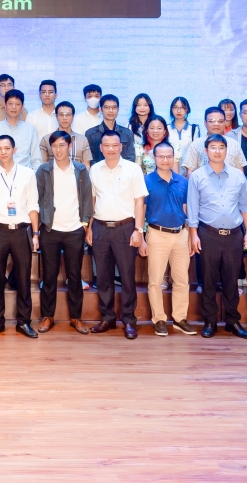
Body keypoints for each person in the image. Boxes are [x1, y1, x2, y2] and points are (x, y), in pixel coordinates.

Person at [186, 134, 247, 339]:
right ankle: (210, 321)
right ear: (206, 151)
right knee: (208, 280)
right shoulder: (197, 176)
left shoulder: (238, 175)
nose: (217, 151)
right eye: (213, 147)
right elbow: (192, 207)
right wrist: (194, 235)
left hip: (234, 235)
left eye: (221, 147)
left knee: (232, 280)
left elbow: (245, 205)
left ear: (226, 151)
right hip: (208, 234)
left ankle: (233, 321)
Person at [88, 129, 147, 339]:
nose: (111, 149)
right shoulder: (94, 170)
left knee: (127, 277)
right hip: (100, 228)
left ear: (121, 147)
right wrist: (89, 227)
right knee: (103, 277)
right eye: (107, 145)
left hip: (125, 228)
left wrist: (138, 230)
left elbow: (140, 201)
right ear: (101, 148)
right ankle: (107, 318)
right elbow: (92, 200)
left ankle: (129, 321)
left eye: (115, 145)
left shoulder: (133, 169)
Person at [0, 135, 40, 338]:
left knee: (23, 278)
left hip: (22, 230)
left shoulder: (28, 174)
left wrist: (35, 233)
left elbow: (33, 205)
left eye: (7, 148)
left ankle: (24, 322)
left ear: (14, 150)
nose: (3, 152)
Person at [35, 130, 93, 334]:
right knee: (49, 275)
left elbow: (87, 198)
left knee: (74, 276)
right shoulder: (43, 170)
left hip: (74, 229)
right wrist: (39, 226)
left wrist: (84, 224)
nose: (58, 150)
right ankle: (47, 316)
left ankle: (76, 318)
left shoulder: (80, 170)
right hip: (50, 229)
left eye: (62, 145)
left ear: (69, 147)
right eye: (54, 146)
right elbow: (37, 198)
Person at [141, 141, 196, 337]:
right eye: (161, 156)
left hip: (181, 234)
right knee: (155, 280)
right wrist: (141, 237)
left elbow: (187, 209)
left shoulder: (183, 181)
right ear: (154, 158)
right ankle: (159, 319)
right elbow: (141, 209)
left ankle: (180, 318)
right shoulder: (146, 181)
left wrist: (190, 235)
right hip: (157, 234)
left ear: (174, 158)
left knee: (182, 280)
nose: (165, 160)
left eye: (169, 156)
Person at [181, 108, 246, 175]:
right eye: (211, 121)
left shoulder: (234, 144)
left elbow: (240, 170)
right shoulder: (196, 144)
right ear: (205, 123)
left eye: (220, 121)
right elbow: (190, 171)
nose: (216, 124)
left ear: (225, 123)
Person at [0, 89, 41, 169]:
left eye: (17, 104)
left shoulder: (30, 130)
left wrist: (33, 175)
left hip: (25, 175)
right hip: (0, 174)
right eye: (10, 104)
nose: (13, 107)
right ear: (5, 106)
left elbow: (36, 159)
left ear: (23, 107)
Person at [85, 95, 135, 165]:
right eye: (107, 107)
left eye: (114, 107)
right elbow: (90, 160)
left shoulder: (127, 133)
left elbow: (130, 159)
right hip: (99, 170)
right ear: (100, 109)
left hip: (122, 171)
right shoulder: (91, 134)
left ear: (118, 109)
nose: (111, 111)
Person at [40, 101, 92, 166]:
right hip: (53, 172)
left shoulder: (82, 140)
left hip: (76, 172)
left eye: (68, 115)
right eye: (61, 115)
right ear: (56, 117)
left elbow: (86, 165)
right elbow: (43, 164)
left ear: (73, 117)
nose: (64, 118)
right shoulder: (46, 139)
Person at [168, 97, 200, 161]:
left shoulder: (194, 129)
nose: (178, 111)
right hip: (169, 165)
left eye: (182, 107)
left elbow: (196, 151)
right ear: (171, 109)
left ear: (187, 110)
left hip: (188, 166)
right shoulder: (166, 128)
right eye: (175, 107)